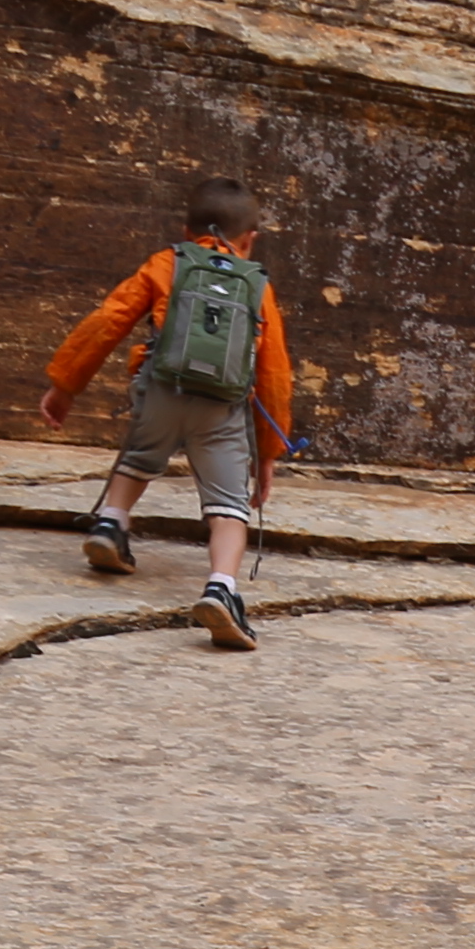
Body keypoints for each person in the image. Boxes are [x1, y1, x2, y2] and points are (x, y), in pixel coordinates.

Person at [37, 176, 294, 649]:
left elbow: (108, 321)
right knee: (228, 507)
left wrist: (65, 385)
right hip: (221, 409)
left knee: (140, 455)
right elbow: (274, 374)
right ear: (250, 238)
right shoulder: (258, 286)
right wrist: (268, 450)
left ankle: (112, 523)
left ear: (185, 227)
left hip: (162, 389)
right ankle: (222, 588)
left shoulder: (166, 263)